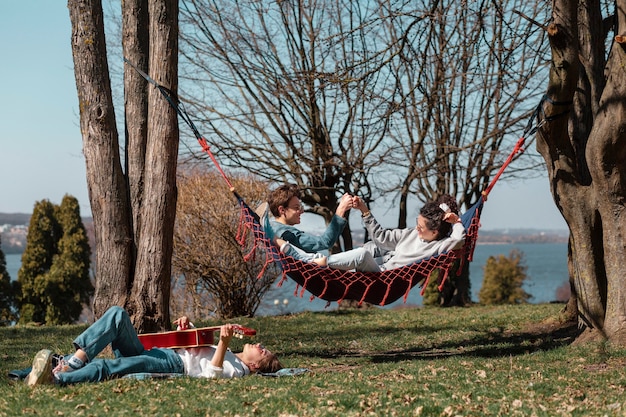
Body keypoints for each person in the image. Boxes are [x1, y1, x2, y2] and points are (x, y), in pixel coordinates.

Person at [22, 306, 282, 386]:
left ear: (255, 366)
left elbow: (209, 376)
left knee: (109, 365)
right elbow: (194, 349)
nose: (259, 344)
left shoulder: (239, 370)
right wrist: (187, 329)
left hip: (170, 364)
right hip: (159, 353)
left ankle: (57, 381)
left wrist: (224, 344)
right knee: (117, 315)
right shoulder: (226, 353)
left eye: (263, 351)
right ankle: (75, 362)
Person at [278, 194, 466, 273]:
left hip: (383, 276)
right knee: (365, 250)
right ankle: (291, 251)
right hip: (374, 267)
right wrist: (364, 211)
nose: (416, 229)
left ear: (434, 231)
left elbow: (459, 239)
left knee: (361, 254)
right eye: (417, 224)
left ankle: (318, 262)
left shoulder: (439, 246)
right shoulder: (411, 234)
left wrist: (457, 221)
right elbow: (382, 238)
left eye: (421, 227)